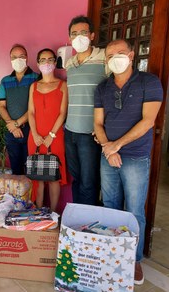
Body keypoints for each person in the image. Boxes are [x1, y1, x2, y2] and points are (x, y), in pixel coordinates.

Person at [94, 39, 163, 285]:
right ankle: (114, 254)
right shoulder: (102, 88)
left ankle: (133, 260)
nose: (115, 58)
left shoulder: (149, 82)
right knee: (111, 205)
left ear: (131, 55)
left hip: (135, 156)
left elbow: (148, 121)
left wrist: (117, 145)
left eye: (120, 53)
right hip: (108, 155)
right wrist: (108, 148)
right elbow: (98, 124)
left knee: (134, 210)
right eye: (110, 55)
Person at [64, 15, 107, 205]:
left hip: (90, 133)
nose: (78, 37)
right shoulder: (69, 64)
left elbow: (113, 92)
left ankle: (87, 225)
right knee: (77, 179)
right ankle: (76, 219)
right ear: (69, 39)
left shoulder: (104, 58)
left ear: (92, 35)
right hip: (70, 131)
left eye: (83, 32)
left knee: (89, 183)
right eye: (74, 34)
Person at [28, 48, 68, 212]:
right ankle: (38, 212)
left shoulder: (62, 85)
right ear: (37, 64)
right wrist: (35, 134)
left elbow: (62, 113)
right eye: (43, 60)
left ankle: (52, 213)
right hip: (35, 136)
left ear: (55, 62)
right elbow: (30, 112)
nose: (46, 63)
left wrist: (51, 135)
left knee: (53, 177)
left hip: (55, 136)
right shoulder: (33, 86)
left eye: (50, 59)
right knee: (37, 177)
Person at [0, 44, 39, 175]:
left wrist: (18, 123)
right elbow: (1, 106)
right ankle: (18, 196)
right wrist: (12, 125)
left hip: (31, 129)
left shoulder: (37, 78)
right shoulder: (5, 81)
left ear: (27, 57)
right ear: (10, 59)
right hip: (11, 129)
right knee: (15, 169)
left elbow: (35, 106)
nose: (18, 60)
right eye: (14, 57)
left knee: (31, 168)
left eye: (21, 56)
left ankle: (30, 196)